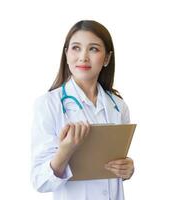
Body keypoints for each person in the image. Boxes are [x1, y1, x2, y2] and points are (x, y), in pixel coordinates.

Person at [31, 20, 135, 200]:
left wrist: (126, 169)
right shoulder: (48, 104)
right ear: (66, 54)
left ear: (107, 58)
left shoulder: (118, 106)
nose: (83, 57)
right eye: (76, 48)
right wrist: (65, 150)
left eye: (93, 49)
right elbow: (40, 181)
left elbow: (114, 166)